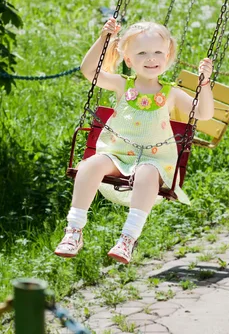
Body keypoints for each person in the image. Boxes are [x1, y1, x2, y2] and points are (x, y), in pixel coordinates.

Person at [54, 18, 214, 264]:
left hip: (154, 160)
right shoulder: (122, 84)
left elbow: (203, 114)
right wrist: (102, 39)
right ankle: (74, 230)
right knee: (89, 165)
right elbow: (89, 72)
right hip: (118, 154)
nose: (151, 58)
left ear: (168, 55)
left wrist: (203, 84)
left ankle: (128, 238)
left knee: (147, 174)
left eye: (158, 52)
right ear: (129, 60)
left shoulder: (171, 93)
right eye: (142, 53)